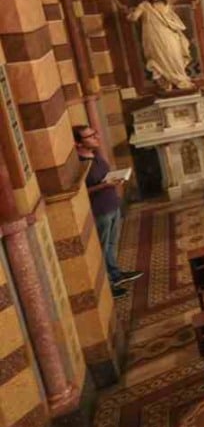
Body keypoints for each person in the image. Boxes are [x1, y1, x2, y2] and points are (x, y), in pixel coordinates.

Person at [74, 126, 142, 298]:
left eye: (95, 134)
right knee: (102, 248)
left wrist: (115, 179)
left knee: (112, 244)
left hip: (112, 204)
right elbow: (81, 192)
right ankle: (108, 285)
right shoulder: (80, 163)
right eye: (90, 136)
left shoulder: (95, 155)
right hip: (100, 210)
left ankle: (115, 274)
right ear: (78, 143)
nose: (96, 137)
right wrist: (103, 186)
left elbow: (104, 176)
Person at [125, 0, 194, 91]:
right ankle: (166, 82)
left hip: (169, 34)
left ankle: (181, 78)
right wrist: (131, 16)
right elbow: (134, 17)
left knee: (175, 55)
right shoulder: (144, 5)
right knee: (160, 59)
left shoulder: (166, 2)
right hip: (154, 37)